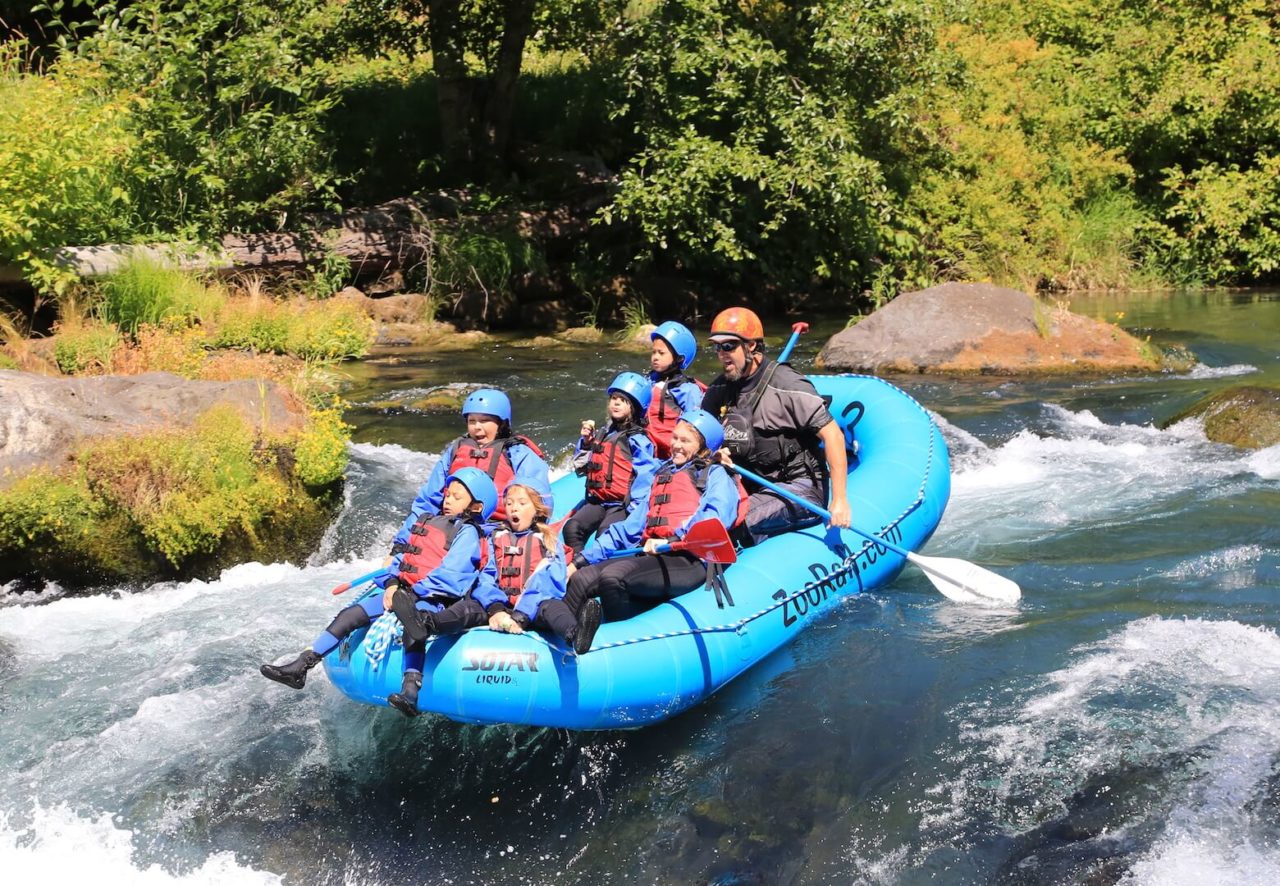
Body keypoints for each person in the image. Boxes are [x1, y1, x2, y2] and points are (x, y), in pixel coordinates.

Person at [260, 468, 496, 704]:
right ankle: (302, 665)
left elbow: (451, 578)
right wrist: (392, 586)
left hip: (432, 598)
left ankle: (411, 691)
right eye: (448, 495)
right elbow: (401, 562)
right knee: (351, 614)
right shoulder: (428, 521)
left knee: (413, 627)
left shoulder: (467, 534)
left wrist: (411, 594)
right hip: (401, 590)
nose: (448, 500)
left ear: (476, 506)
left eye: (457, 497)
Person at [393, 477, 604, 665]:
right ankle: (426, 623)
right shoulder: (496, 539)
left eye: (522, 504)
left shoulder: (549, 542)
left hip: (533, 608)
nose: (514, 508)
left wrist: (520, 616)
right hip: (498, 606)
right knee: (469, 608)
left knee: (553, 607)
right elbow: (485, 578)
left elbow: (548, 585)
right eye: (510, 503)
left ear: (538, 511)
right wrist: (496, 609)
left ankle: (575, 634)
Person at [563, 409, 743, 621]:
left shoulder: (715, 475)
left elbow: (715, 516)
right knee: (582, 578)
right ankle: (564, 634)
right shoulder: (663, 474)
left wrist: (673, 538)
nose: (675, 445)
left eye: (685, 441)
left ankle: (614, 639)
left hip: (690, 558)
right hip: (654, 553)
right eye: (675, 437)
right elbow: (630, 527)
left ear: (704, 447)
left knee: (613, 579)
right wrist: (581, 560)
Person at [699, 307, 851, 545]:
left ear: (751, 346)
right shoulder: (719, 390)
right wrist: (712, 455)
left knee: (736, 520)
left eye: (728, 346)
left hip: (799, 488)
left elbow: (833, 435)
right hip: (750, 484)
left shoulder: (786, 385)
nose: (721, 354)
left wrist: (840, 500)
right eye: (717, 347)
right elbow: (698, 438)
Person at [392, 388, 550, 536]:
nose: (476, 427)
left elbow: (538, 500)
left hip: (500, 529)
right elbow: (428, 499)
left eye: (484, 421)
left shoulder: (517, 453)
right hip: (453, 527)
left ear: (501, 423)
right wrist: (402, 544)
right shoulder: (455, 451)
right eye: (472, 421)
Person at [562, 372, 659, 553]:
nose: (615, 402)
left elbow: (645, 477)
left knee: (604, 537)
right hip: (598, 502)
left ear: (635, 406)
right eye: (613, 398)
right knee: (572, 528)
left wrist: (634, 512)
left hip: (622, 504)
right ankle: (578, 567)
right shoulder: (603, 433)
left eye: (622, 400)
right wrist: (585, 443)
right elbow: (582, 467)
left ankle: (592, 571)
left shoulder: (637, 439)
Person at [646, 320, 705, 459]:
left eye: (661, 353)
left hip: (671, 455)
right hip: (647, 450)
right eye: (653, 352)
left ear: (679, 358)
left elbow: (695, 428)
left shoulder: (687, 390)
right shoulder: (647, 381)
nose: (655, 357)